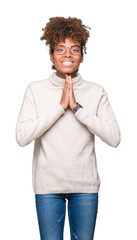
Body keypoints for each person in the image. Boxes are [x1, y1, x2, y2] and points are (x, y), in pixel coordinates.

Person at [15, 16, 121, 240]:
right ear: (51, 55)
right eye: (60, 49)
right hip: (48, 188)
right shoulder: (35, 90)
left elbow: (114, 138)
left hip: (85, 188)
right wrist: (60, 106)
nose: (67, 55)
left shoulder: (96, 91)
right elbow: (22, 136)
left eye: (74, 49)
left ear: (82, 56)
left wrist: (77, 107)